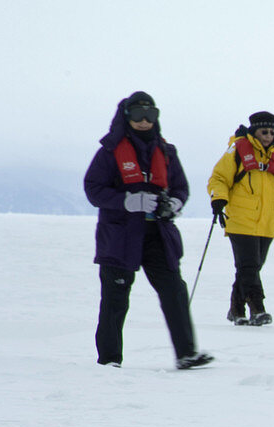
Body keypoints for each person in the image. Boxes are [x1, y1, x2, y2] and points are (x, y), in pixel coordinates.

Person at [84, 91, 213, 370]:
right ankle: (109, 361)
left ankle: (187, 354)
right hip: (119, 237)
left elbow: (180, 187)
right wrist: (127, 202)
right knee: (115, 300)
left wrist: (175, 203)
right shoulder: (109, 151)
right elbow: (93, 190)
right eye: (138, 115)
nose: (144, 121)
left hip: (158, 234)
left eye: (150, 115)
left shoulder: (167, 152)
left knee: (174, 291)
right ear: (127, 116)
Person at [207, 111, 274, 326]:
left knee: (251, 268)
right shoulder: (237, 151)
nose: (268, 135)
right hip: (241, 219)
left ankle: (236, 310)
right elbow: (219, 178)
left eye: (272, 131)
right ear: (255, 131)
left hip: (268, 222)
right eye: (264, 131)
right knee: (249, 266)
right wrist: (218, 199)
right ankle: (258, 309)